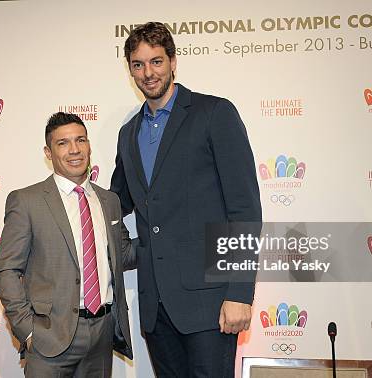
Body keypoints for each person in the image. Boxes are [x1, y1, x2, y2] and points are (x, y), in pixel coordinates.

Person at [110, 22, 262, 377]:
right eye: (138, 64)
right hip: (155, 306)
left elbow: (244, 208)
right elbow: (116, 203)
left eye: (156, 61)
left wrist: (240, 292)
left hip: (210, 301)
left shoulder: (214, 114)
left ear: (173, 61)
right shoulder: (128, 134)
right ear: (130, 69)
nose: (148, 73)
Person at [0, 112, 133, 377]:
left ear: (89, 145)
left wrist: (170, 239)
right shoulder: (27, 201)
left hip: (102, 334)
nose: (74, 150)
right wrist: (28, 330)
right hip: (50, 339)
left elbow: (124, 253)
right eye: (63, 143)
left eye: (80, 140)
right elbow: (6, 271)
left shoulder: (109, 201)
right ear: (48, 152)